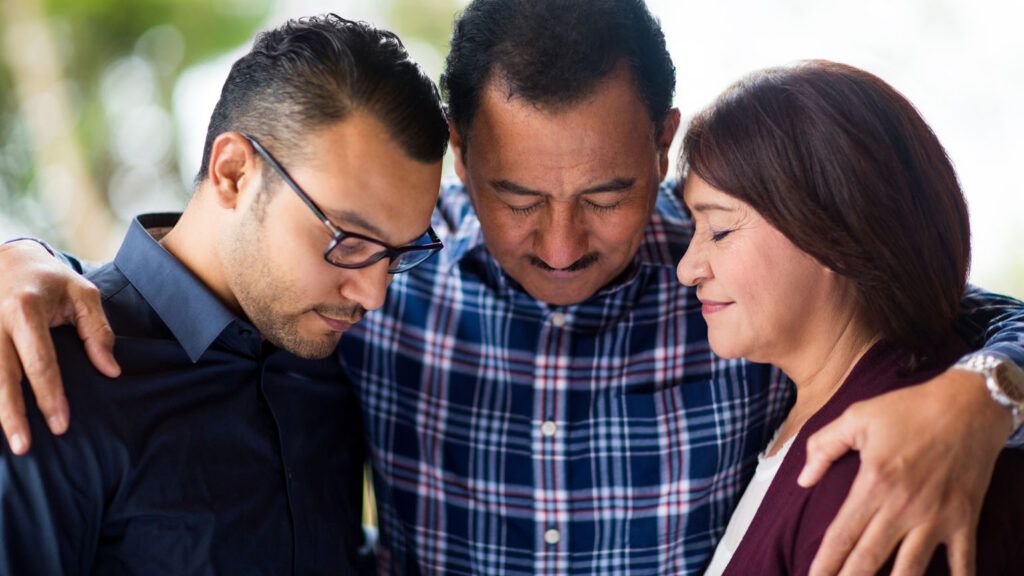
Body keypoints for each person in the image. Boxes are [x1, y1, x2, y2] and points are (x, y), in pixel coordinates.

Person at [2, 1, 1024, 574]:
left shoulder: (741, 278)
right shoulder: (379, 279)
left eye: (610, 194)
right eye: (517, 196)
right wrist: (22, 252)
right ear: (461, 155)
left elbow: (939, 300)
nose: (562, 242)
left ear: (663, 147)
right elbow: (214, 279)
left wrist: (987, 393)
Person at [0, 14, 448, 574]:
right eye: (348, 241)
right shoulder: (46, 375)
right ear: (234, 171)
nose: (374, 296)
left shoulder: (330, 349)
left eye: (399, 253)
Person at [677, 61, 1024, 576]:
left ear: (831, 231)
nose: (687, 269)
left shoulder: (890, 475)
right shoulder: (807, 409)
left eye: (721, 231)